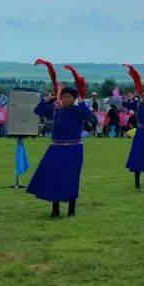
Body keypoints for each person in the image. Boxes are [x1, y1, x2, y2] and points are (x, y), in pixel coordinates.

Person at [27, 87, 94, 218]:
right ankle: (55, 209)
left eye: (69, 97)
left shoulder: (77, 110)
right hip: (56, 148)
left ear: (73, 99)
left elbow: (87, 116)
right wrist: (46, 100)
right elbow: (38, 110)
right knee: (54, 177)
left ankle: (71, 209)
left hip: (73, 149)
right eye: (63, 96)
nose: (66, 99)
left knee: (71, 178)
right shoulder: (55, 109)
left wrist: (81, 102)